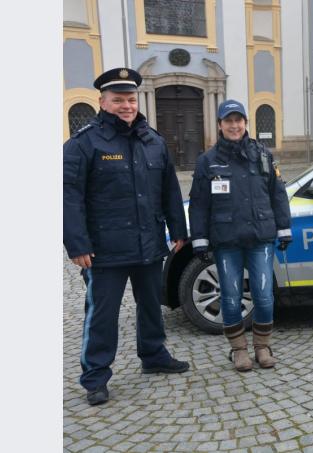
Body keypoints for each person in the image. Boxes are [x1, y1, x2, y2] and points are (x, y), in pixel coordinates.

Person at [63, 67, 190, 406]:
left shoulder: (154, 141)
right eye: (118, 100)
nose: (126, 105)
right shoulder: (84, 143)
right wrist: (77, 243)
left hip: (148, 242)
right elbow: (68, 195)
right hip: (104, 250)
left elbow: (170, 190)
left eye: (130, 99)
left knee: (150, 304)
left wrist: (179, 229)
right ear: (102, 102)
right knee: (102, 313)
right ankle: (95, 376)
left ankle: (153, 355)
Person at [189, 100, 292, 372]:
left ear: (246, 123)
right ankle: (238, 350)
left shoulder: (263, 155)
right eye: (228, 121)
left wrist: (284, 228)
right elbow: (199, 203)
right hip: (227, 239)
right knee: (231, 297)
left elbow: (277, 194)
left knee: (264, 295)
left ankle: (262, 346)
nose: (234, 126)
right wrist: (199, 239)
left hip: (260, 237)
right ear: (220, 125)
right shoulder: (208, 161)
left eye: (239, 120)